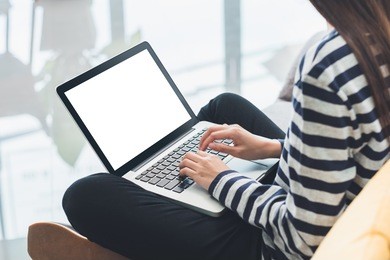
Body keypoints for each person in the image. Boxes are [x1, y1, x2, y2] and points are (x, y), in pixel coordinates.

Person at [44, 1, 390, 260]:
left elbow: (303, 237)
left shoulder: (329, 63)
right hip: (331, 200)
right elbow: (359, 145)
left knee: (85, 195)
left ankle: (175, 184)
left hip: (274, 248)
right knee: (224, 108)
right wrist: (273, 148)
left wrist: (221, 180)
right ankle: (175, 175)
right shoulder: (376, 34)